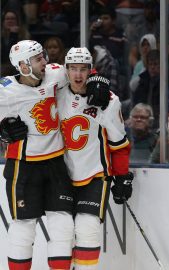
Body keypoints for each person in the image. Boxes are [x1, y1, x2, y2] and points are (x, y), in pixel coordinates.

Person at [0, 40, 110, 270]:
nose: (45, 61)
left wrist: (98, 78)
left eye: (43, 56)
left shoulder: (55, 74)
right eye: (38, 58)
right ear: (23, 65)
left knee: (63, 225)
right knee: (23, 227)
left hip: (56, 162)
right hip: (23, 165)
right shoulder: (6, 90)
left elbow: (79, 68)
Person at [57, 47, 133, 270]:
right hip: (60, 175)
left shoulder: (107, 100)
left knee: (87, 229)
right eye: (73, 69)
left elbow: (119, 144)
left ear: (91, 70)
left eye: (83, 69)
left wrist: (122, 176)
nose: (78, 75)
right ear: (66, 70)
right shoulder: (56, 94)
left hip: (94, 175)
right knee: (61, 234)